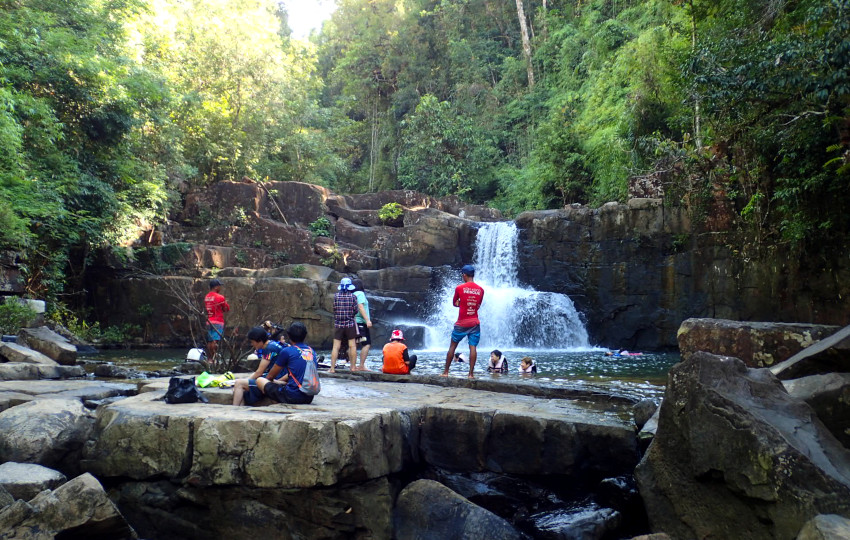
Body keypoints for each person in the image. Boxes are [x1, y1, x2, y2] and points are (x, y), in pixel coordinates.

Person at [256, 322, 318, 405]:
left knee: (260, 380)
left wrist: (272, 381)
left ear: (289, 335)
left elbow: (270, 376)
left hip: (292, 396)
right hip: (309, 397)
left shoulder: (287, 351)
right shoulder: (312, 351)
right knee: (279, 383)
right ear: (305, 335)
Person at [442, 264, 484, 379]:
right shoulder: (481, 290)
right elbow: (478, 306)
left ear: (464, 275)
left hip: (461, 323)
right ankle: (470, 374)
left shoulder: (459, 288)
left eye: (462, 275)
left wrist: (463, 304)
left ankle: (446, 372)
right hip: (474, 322)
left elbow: (454, 303)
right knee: (473, 347)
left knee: (452, 346)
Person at [232, 326, 286, 406]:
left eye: (252, 342)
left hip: (275, 380)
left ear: (260, 341)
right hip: (276, 377)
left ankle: (234, 410)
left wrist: (246, 380)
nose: (252, 344)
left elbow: (259, 372)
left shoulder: (269, 349)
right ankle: (240, 410)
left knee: (239, 383)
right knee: (241, 385)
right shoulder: (272, 344)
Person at [330, 277, 359, 373]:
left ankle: (332, 368)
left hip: (338, 323)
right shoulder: (353, 297)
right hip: (350, 324)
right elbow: (356, 310)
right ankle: (353, 367)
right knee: (352, 345)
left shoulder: (336, 296)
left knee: (336, 346)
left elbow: (334, 309)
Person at [204, 278, 230, 363]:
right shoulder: (220, 297)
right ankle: (213, 359)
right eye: (219, 286)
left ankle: (209, 359)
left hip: (209, 321)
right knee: (215, 341)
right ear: (216, 287)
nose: (220, 288)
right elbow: (226, 308)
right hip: (217, 321)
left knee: (210, 340)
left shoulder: (207, 297)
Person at [352, 278, 373, 371]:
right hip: (360, 323)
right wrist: (367, 320)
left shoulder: (351, 294)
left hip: (352, 322)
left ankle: (353, 366)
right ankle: (361, 365)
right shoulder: (360, 294)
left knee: (354, 344)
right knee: (366, 344)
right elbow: (360, 307)